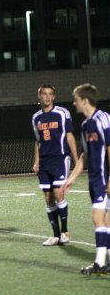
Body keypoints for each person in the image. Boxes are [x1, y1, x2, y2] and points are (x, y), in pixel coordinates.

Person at [62, 84, 110, 275]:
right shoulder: (85, 125)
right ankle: (104, 262)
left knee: (97, 218)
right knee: (105, 221)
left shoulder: (103, 119)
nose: (74, 103)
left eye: (76, 99)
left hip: (104, 180)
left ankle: (99, 263)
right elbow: (84, 156)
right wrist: (71, 178)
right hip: (95, 180)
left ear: (84, 100)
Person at [31, 84, 79, 246]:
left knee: (59, 194)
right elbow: (37, 141)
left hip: (60, 159)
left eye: (50, 94)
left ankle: (65, 232)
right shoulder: (36, 117)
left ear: (54, 97)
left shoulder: (62, 113)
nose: (47, 97)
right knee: (48, 198)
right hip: (44, 162)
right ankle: (56, 235)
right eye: (44, 94)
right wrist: (36, 161)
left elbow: (70, 136)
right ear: (39, 96)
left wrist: (76, 159)